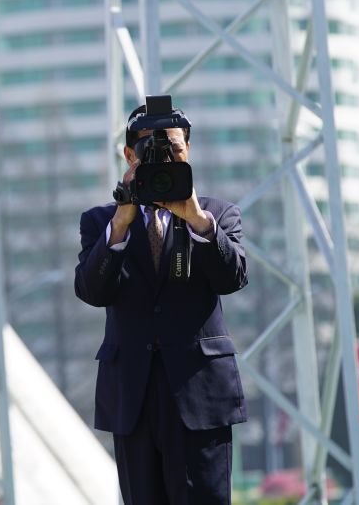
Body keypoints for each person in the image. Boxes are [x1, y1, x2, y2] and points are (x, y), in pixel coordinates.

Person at [74, 101, 249, 504]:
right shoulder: (100, 221)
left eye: (173, 150)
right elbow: (91, 291)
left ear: (188, 151)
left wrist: (197, 219)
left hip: (200, 394)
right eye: (150, 152)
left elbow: (232, 278)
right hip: (132, 397)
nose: (164, 160)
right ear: (129, 157)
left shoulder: (218, 214)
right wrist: (121, 222)